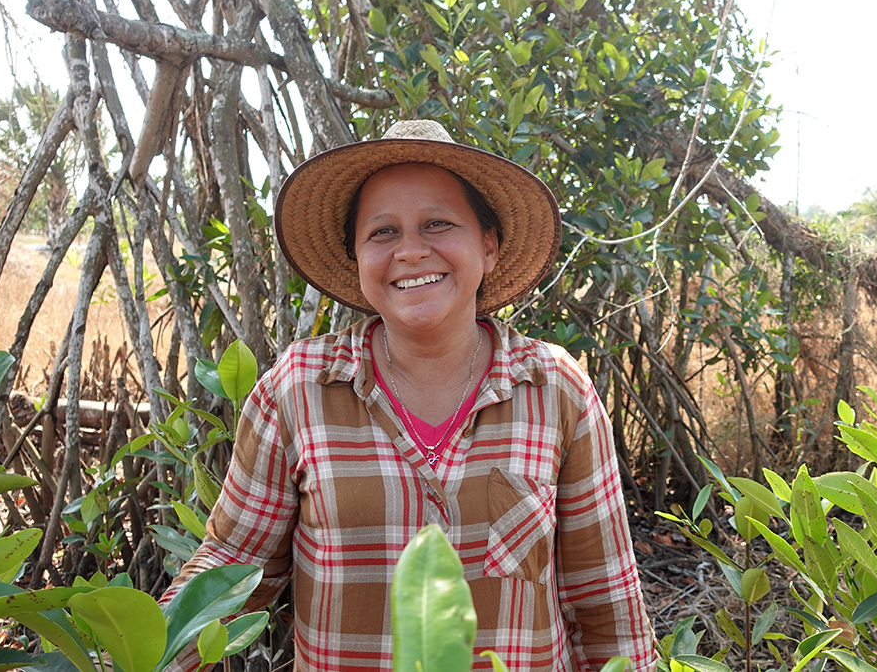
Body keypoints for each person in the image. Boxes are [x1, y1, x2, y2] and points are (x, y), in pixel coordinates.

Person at [161, 120, 657, 672]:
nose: (412, 251)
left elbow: (606, 605)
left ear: (488, 246)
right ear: (357, 256)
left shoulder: (557, 391)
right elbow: (231, 570)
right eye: (383, 232)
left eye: (438, 224)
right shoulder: (297, 389)